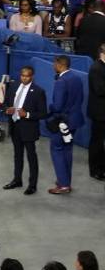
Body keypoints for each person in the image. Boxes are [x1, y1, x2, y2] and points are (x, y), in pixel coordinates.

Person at [0, 65, 47, 194]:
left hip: (29, 129)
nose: (24, 78)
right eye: (22, 75)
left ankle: (32, 185)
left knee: (31, 157)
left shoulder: (38, 91)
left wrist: (26, 114)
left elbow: (43, 113)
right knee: (17, 155)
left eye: (27, 76)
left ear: (32, 76)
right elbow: (6, 103)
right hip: (15, 126)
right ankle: (17, 180)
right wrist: (6, 109)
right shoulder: (14, 87)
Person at [49, 55, 85, 194]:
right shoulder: (77, 78)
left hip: (62, 122)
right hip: (75, 120)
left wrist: (50, 107)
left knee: (57, 149)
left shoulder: (61, 81)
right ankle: (65, 180)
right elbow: (80, 99)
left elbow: (57, 106)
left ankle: (63, 185)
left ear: (59, 65)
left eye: (54, 63)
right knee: (67, 150)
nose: (53, 66)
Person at [88, 43, 105, 181]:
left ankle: (102, 167)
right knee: (97, 142)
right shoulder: (96, 68)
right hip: (99, 112)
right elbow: (99, 90)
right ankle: (95, 170)